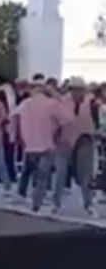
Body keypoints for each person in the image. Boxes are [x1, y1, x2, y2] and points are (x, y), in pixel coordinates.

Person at [12, 76, 63, 213]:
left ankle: (27, 196)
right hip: (44, 143)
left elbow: (13, 116)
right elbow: (65, 117)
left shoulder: (27, 103)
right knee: (40, 174)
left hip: (31, 143)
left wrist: (18, 135)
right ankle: (35, 200)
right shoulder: (51, 103)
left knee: (31, 171)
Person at [53, 76, 98, 215]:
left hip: (85, 139)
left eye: (80, 90)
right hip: (64, 140)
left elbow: (97, 122)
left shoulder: (91, 103)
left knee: (86, 175)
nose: (77, 93)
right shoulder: (62, 102)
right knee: (60, 173)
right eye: (74, 90)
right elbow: (56, 121)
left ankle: (88, 204)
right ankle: (56, 203)